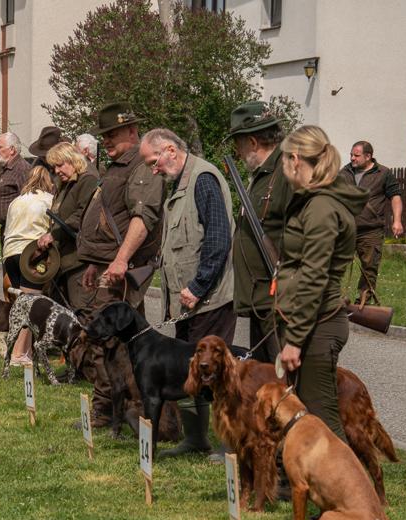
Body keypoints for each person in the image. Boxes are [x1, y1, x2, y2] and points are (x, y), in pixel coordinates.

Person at [140, 128, 235, 459]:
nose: (154, 170)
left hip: (209, 300)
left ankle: (229, 443)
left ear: (169, 150)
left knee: (217, 376)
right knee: (191, 373)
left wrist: (197, 286)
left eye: (154, 162)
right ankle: (197, 439)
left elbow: (218, 238)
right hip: (189, 303)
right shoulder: (181, 182)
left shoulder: (203, 178)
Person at [72, 103, 165, 425]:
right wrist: (94, 264)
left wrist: (121, 260)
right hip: (109, 267)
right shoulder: (118, 165)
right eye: (104, 135)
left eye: (112, 134)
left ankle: (104, 410)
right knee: (133, 344)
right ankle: (133, 407)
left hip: (121, 272)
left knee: (103, 338)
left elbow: (143, 217)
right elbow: (109, 221)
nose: (107, 141)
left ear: (132, 130)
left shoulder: (140, 166)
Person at [277, 125, 367, 441]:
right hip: (311, 323)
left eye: (284, 160)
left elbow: (314, 276)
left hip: (317, 326)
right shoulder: (315, 201)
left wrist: (295, 340)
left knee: (323, 425)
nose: (283, 168)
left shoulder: (320, 207)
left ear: (296, 159)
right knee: (304, 419)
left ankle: (348, 489)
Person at [227, 101, 293, 363]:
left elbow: (298, 235)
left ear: (253, 142)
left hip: (278, 301)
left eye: (239, 143)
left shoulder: (286, 173)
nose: (237, 151)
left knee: (284, 381)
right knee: (266, 380)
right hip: (260, 300)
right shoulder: (263, 175)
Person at [338, 141, 404, 303]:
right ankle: (332, 300)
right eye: (351, 155)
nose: (352, 158)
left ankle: (363, 304)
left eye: (356, 155)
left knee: (369, 268)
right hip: (345, 229)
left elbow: (395, 197)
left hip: (370, 230)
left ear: (368, 156)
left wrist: (397, 221)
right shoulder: (344, 173)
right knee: (335, 264)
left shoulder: (383, 173)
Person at [2, 164, 55, 363]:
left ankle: (24, 351)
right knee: (30, 305)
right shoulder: (49, 200)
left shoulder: (16, 201)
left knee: (20, 304)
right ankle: (20, 353)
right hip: (31, 254)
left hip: (10, 254)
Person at [37, 142, 98, 306]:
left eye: (60, 165)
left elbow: (83, 215)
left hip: (78, 262)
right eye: (54, 167)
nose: (56, 171)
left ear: (72, 160)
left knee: (80, 312)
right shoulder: (64, 184)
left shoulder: (88, 180)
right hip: (61, 260)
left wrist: (53, 234)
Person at [0, 132, 31, 244]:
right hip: (7, 229)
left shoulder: (22, 170)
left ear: (12, 150)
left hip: (18, 233)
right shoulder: (9, 169)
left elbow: (29, 202)